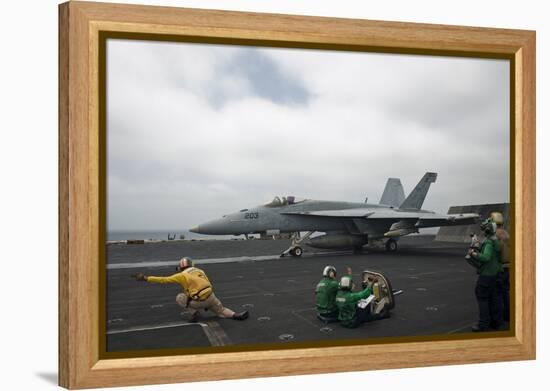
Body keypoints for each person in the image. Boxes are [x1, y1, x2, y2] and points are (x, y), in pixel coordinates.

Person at [133, 257, 249, 322]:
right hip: (211, 297)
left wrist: (146, 278)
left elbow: (164, 280)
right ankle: (236, 315)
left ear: (181, 267)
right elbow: (207, 282)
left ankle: (194, 314)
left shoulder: (181, 275)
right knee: (222, 311)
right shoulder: (200, 270)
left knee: (180, 297)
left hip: (198, 301)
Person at [468, 218, 503, 331]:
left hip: (486, 275)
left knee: (482, 298)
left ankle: (483, 324)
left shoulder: (488, 242)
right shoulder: (495, 240)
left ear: (487, 230)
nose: (483, 231)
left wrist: (474, 253)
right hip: (494, 274)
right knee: (494, 299)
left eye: (484, 229)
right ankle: (496, 322)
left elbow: (486, 257)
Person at [491, 211, 511, 323]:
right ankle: (507, 315)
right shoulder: (506, 233)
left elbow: (493, 253)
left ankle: (496, 319)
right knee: (505, 292)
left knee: (496, 293)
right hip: (508, 266)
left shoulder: (496, 235)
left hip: (499, 268)